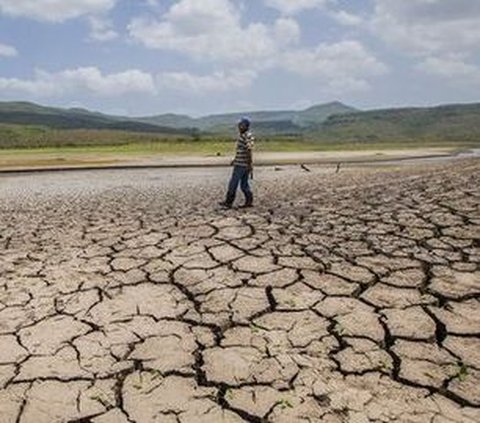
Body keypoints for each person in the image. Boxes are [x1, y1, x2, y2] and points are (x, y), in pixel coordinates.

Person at [219, 117, 255, 209]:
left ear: (246, 126)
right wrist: (235, 160)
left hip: (241, 165)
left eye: (241, 125)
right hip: (241, 163)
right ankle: (249, 201)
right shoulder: (245, 135)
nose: (239, 126)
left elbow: (249, 149)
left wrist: (250, 163)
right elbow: (242, 150)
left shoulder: (246, 136)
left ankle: (228, 202)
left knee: (233, 183)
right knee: (244, 184)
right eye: (239, 125)